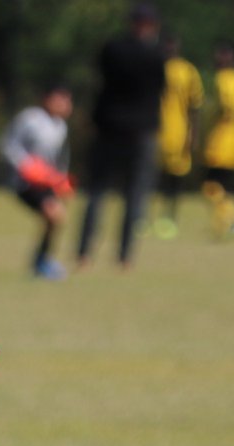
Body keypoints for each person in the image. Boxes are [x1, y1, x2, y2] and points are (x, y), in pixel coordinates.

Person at [76, 3, 165, 269]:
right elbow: (159, 90)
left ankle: (84, 253)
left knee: (97, 192)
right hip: (141, 132)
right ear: (152, 26)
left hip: (108, 127)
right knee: (135, 195)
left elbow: (100, 82)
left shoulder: (112, 49)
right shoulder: (156, 55)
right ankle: (125, 257)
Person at [1, 84, 74, 280]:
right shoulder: (30, 119)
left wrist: (60, 179)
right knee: (55, 215)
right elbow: (7, 145)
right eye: (60, 100)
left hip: (45, 183)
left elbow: (58, 159)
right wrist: (26, 166)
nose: (65, 105)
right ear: (46, 99)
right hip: (25, 182)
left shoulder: (60, 126)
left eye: (67, 101)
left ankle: (42, 260)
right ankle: (41, 262)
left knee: (56, 218)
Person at [152, 35, 205, 238]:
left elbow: (195, 106)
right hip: (154, 131)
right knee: (151, 176)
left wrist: (194, 134)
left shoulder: (188, 71)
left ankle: (169, 218)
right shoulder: (154, 67)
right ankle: (145, 217)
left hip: (178, 133)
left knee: (174, 179)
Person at [200, 42, 234, 240]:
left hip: (222, 140)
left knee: (210, 186)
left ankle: (231, 220)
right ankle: (225, 223)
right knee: (220, 185)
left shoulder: (222, 79)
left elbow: (228, 107)